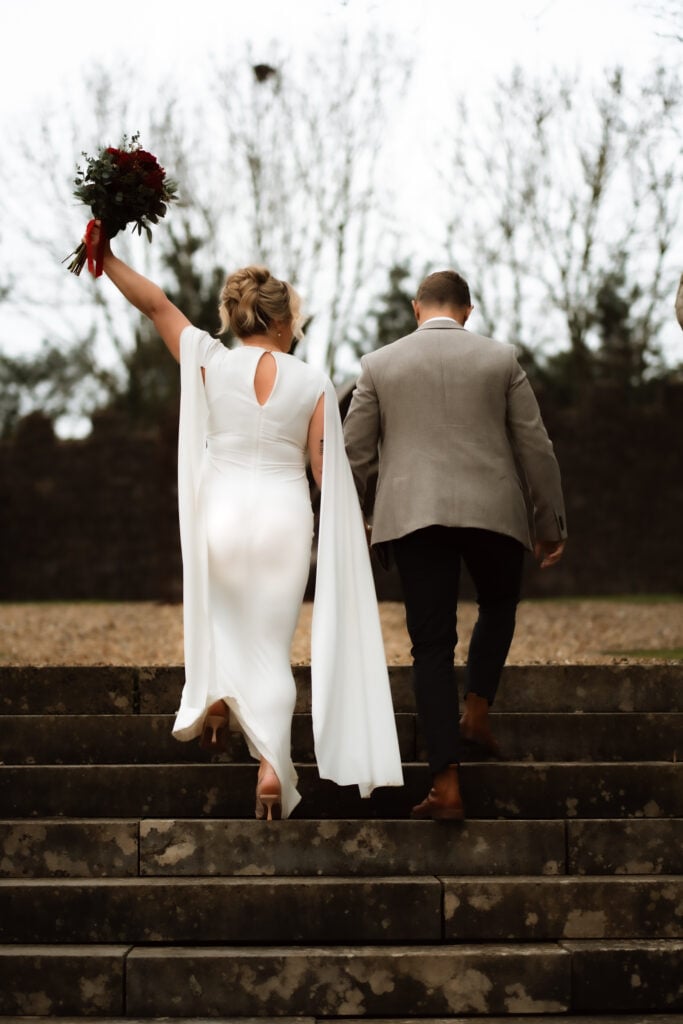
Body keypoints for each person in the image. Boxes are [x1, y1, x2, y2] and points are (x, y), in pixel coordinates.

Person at [84, 222, 403, 820]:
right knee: (270, 643)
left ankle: (218, 699)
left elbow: (155, 304)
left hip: (223, 517)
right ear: (283, 322)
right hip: (284, 520)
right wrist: (353, 521)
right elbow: (322, 469)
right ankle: (269, 769)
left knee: (226, 618)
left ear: (238, 317)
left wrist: (106, 256)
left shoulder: (207, 358)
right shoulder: (311, 381)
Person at [343, 270, 567, 821]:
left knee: (432, 646)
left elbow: (354, 454)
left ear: (417, 308)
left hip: (414, 516)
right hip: (494, 512)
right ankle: (477, 710)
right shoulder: (501, 359)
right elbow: (535, 444)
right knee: (497, 605)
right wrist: (549, 521)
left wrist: (361, 517)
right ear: (468, 311)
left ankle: (445, 785)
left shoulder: (379, 364)